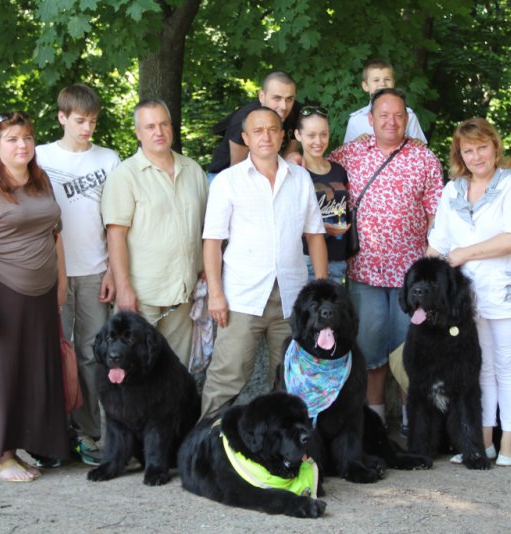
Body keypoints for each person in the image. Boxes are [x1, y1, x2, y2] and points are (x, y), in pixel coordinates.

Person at [0, 111, 68, 482]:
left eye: (28, 138)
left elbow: (54, 233)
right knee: (3, 374)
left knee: (35, 373)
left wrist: (62, 282)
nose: (23, 145)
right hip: (0, 292)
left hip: (42, 293)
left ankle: (25, 449)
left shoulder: (41, 180)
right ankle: (0, 458)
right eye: (13, 139)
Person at [200, 106, 327, 418]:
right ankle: (206, 441)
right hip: (242, 297)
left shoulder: (300, 178)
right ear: (245, 137)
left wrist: (322, 292)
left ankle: (286, 442)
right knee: (226, 377)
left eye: (272, 129)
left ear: (283, 135)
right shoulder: (228, 181)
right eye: (258, 131)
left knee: (292, 379)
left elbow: (315, 236)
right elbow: (212, 242)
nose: (266, 137)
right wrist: (215, 294)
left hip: (292, 297)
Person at [329, 88, 443, 429]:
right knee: (370, 353)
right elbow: (316, 168)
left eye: (398, 115)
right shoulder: (348, 155)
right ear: (370, 119)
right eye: (384, 115)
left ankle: (413, 423)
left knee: (412, 352)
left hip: (412, 277)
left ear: (407, 119)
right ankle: (375, 422)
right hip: (364, 272)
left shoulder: (424, 158)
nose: (391, 122)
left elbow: (438, 215)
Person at [427, 118, 511, 467]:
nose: (476, 156)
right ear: (460, 155)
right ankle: (482, 441)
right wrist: (423, 287)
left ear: (495, 147)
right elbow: (437, 245)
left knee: (508, 366)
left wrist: (464, 254)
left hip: (507, 291)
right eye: (468, 150)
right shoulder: (452, 191)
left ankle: (509, 442)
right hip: (466, 299)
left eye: (482, 148)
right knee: (481, 368)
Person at [35, 84, 121, 466]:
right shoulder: (39, 157)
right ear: (62, 117)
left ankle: (89, 434)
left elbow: (117, 221)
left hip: (94, 270)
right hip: (48, 272)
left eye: (93, 121)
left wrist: (113, 271)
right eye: (80, 120)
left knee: (90, 355)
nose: (87, 128)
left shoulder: (109, 159)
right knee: (51, 353)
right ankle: (52, 435)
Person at [101, 99, 208, 364]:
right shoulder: (124, 175)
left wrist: (206, 270)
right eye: (149, 127)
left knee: (177, 369)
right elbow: (116, 236)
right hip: (142, 294)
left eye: (163, 124)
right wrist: (123, 289)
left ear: (171, 127)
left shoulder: (193, 170)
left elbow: (206, 228)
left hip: (183, 290)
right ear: (138, 133)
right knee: (134, 369)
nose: (158, 132)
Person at [207, 71, 302, 178]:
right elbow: (238, 171)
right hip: (224, 176)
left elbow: (288, 157)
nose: (284, 106)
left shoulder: (296, 111)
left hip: (268, 172)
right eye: (277, 98)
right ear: (262, 96)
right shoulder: (243, 120)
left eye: (289, 99)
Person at [293, 105, 350, 284]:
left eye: (323, 134)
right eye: (311, 135)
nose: (318, 141)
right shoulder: (294, 173)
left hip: (338, 260)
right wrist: (322, 227)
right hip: (307, 261)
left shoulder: (339, 170)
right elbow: (287, 222)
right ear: (298, 135)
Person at [343, 59, 427, 144]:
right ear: (365, 86)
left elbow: (420, 147)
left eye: (387, 79)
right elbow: (346, 150)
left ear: (393, 83)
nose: (382, 84)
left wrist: (417, 142)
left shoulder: (407, 115)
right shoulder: (356, 120)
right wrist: (356, 142)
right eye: (376, 80)